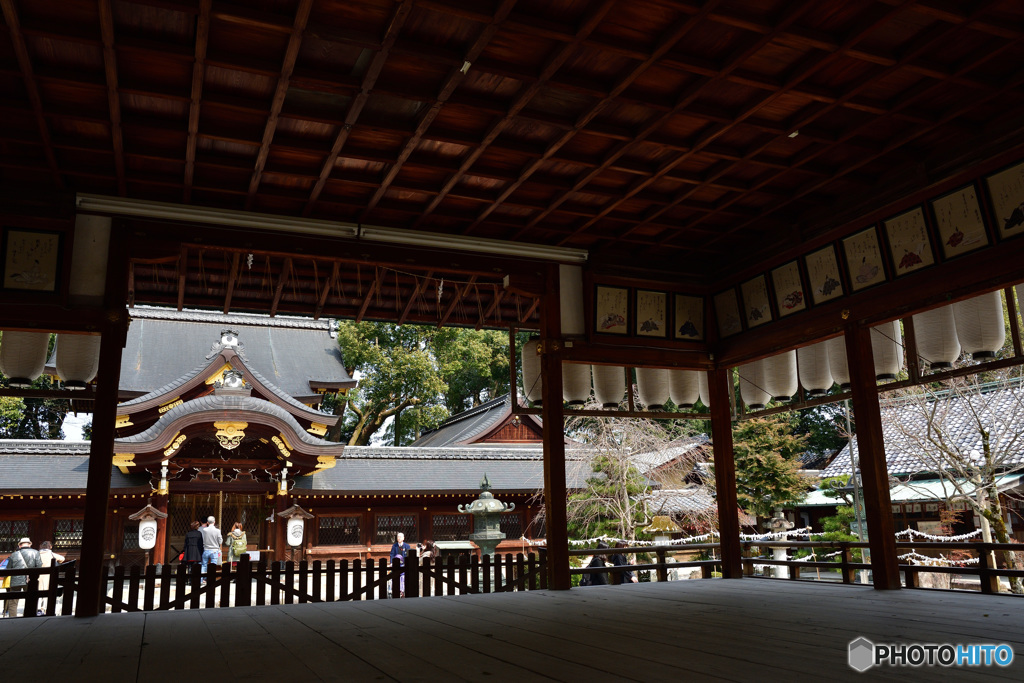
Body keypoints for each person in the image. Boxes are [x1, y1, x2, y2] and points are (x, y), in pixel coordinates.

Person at [5, 538, 41, 617]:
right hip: (30, 580)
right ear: (30, 544)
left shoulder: (14, 554)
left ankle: (13, 619)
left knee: (13, 602)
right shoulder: (36, 553)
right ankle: (28, 617)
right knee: (30, 600)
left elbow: (8, 568)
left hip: (15, 580)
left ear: (20, 545)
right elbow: (39, 566)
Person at [36, 541, 65, 615]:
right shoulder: (51, 554)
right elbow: (62, 558)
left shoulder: (36, 554)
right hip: (48, 576)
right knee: (47, 591)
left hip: (37, 575)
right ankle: (44, 608)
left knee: (37, 591)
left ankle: (38, 608)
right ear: (50, 547)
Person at [390, 533, 411, 597]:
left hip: (404, 564)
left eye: (400, 537)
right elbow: (392, 554)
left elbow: (408, 555)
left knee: (403, 577)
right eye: (398, 537)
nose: (399, 538)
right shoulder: (394, 546)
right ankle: (394, 589)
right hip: (396, 564)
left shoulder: (407, 546)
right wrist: (391, 562)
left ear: (403, 538)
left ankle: (402, 590)